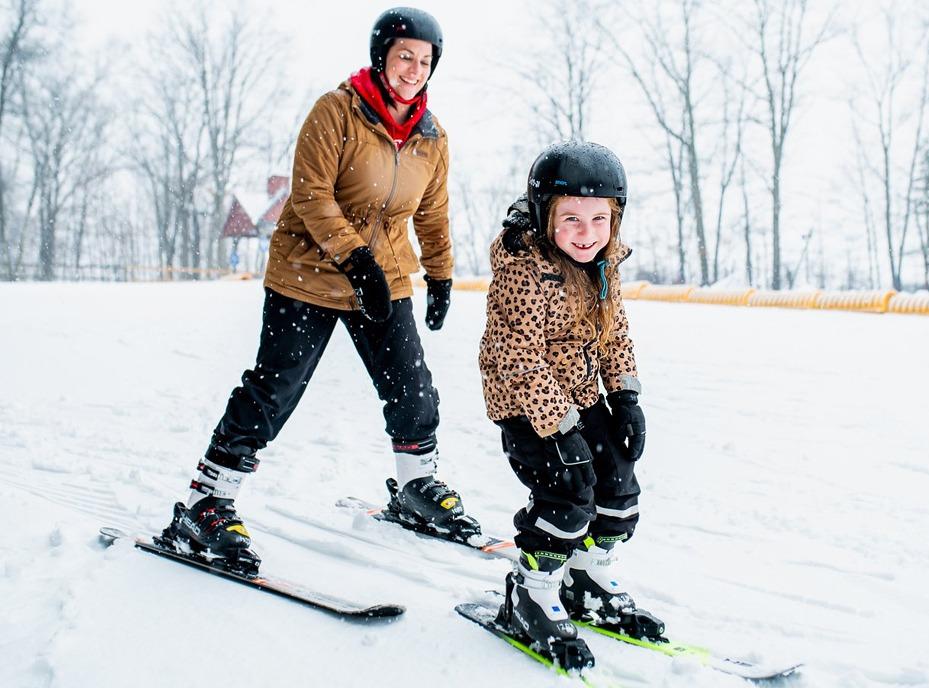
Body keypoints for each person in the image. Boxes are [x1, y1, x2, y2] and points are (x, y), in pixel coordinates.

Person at [159, 7, 480, 574]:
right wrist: (354, 257)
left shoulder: (433, 137)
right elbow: (310, 195)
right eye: (405, 55)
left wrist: (440, 274)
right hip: (308, 274)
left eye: (425, 61)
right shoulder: (336, 112)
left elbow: (433, 213)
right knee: (274, 389)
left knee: (412, 388)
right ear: (382, 54)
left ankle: (416, 488)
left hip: (385, 280)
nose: (414, 70)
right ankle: (206, 501)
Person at [478, 142, 647, 667]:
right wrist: (560, 428)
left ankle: (586, 579)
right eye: (571, 218)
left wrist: (624, 395)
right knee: (569, 495)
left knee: (617, 482)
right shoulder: (523, 268)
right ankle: (531, 590)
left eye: (600, 219)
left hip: (580, 396)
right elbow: (519, 356)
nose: (587, 233)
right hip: (526, 404)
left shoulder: (602, 264)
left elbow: (614, 329)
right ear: (544, 215)